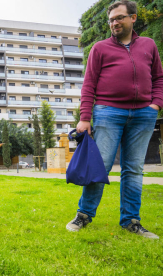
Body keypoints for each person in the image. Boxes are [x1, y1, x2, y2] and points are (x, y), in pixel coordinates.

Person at [66, 0, 163, 239]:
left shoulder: (148, 45)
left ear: (133, 18)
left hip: (143, 115)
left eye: (119, 17)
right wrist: (85, 118)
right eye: (111, 19)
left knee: (134, 169)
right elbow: (89, 84)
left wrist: (155, 105)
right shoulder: (99, 48)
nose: (114, 23)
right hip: (108, 112)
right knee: (100, 167)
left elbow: (159, 77)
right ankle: (84, 215)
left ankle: (131, 220)